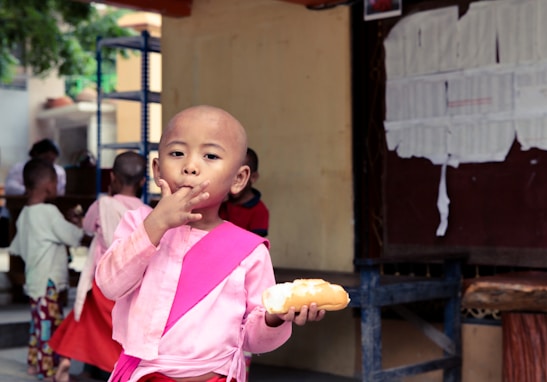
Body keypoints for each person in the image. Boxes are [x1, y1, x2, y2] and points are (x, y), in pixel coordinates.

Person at [95, 105, 325, 382]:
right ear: (157, 169)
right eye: (177, 153)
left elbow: (251, 338)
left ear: (239, 179)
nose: (190, 166)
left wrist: (275, 317)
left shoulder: (248, 251)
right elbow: (109, 284)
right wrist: (157, 224)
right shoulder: (138, 225)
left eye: (210, 156)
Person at [50, 151, 147, 382]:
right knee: (116, 333)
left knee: (85, 323)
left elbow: (85, 227)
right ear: (143, 181)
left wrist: (77, 220)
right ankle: (111, 371)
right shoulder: (147, 213)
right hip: (129, 287)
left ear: (112, 177)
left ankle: (68, 362)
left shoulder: (103, 204)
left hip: (102, 282)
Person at [8, 158, 83, 381]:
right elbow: (73, 236)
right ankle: (48, 370)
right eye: (55, 181)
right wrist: (77, 224)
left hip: (33, 281)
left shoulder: (24, 214)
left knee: (38, 325)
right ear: (48, 184)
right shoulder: (49, 212)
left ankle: (34, 363)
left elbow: (18, 248)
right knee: (50, 327)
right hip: (49, 283)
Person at [218, 147, 269, 381]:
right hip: (218, 280)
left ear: (251, 177)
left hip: (242, 281)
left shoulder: (259, 211)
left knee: (243, 338)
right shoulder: (221, 204)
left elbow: (251, 247)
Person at [219, 148, 269, 238]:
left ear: (253, 177)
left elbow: (255, 243)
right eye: (229, 175)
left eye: (239, 176)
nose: (233, 181)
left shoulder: (259, 210)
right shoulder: (221, 202)